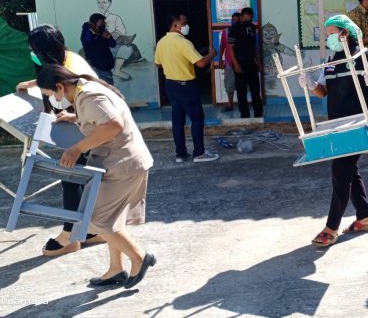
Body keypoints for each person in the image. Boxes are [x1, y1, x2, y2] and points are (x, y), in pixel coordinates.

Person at [36, 65, 155, 288]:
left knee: (96, 220)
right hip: (122, 161)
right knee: (112, 219)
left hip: (122, 164)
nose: (52, 100)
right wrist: (75, 118)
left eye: (50, 94)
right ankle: (116, 270)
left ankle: (139, 257)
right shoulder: (86, 90)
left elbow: (113, 125)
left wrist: (77, 148)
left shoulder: (90, 96)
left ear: (60, 86)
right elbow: (102, 117)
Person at [297, 14, 368, 247]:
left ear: (345, 33)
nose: (328, 39)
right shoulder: (330, 62)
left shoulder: (366, 56)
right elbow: (322, 91)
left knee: (341, 172)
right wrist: (309, 85)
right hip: (337, 125)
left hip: (360, 125)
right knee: (349, 169)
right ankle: (364, 216)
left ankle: (331, 226)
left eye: (331, 34)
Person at [16, 25, 105, 257]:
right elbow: (55, 76)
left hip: (92, 132)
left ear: (43, 50)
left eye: (33, 49)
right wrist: (32, 83)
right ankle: (89, 230)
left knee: (71, 176)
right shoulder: (66, 59)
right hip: (82, 130)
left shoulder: (73, 68)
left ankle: (70, 236)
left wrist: (74, 116)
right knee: (77, 179)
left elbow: (102, 107)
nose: (31, 52)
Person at [155, 15, 219, 163]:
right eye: (184, 23)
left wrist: (172, 64)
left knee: (177, 121)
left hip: (170, 84)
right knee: (197, 119)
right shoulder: (183, 43)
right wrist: (212, 54)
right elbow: (201, 63)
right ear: (175, 26)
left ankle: (181, 154)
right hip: (186, 86)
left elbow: (158, 64)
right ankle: (199, 153)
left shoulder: (161, 42)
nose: (186, 26)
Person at [97, 0, 142, 80]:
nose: (101, 5)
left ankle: (117, 70)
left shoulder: (115, 18)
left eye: (104, 2)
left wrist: (114, 34)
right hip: (100, 50)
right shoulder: (94, 19)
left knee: (128, 48)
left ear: (109, 4)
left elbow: (122, 31)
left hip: (113, 47)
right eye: (99, 3)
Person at [227, 7, 263, 118]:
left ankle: (258, 114)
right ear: (241, 16)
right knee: (241, 91)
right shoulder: (234, 28)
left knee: (255, 89)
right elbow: (230, 47)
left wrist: (258, 61)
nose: (248, 21)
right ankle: (245, 114)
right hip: (240, 62)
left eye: (250, 19)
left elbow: (254, 46)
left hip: (251, 62)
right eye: (246, 18)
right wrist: (236, 64)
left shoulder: (252, 27)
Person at [81, 13, 116, 84]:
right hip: (96, 67)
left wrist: (109, 38)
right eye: (100, 23)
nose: (102, 25)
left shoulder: (102, 34)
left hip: (106, 68)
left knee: (109, 90)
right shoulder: (87, 33)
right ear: (93, 24)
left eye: (103, 23)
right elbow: (87, 40)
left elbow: (113, 44)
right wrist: (87, 26)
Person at [219, 12, 241, 111]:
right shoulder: (226, 31)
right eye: (233, 20)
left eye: (237, 21)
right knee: (229, 83)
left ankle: (242, 103)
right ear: (231, 21)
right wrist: (220, 59)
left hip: (241, 61)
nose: (235, 22)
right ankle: (230, 104)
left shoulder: (243, 31)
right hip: (229, 62)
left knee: (242, 83)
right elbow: (222, 46)